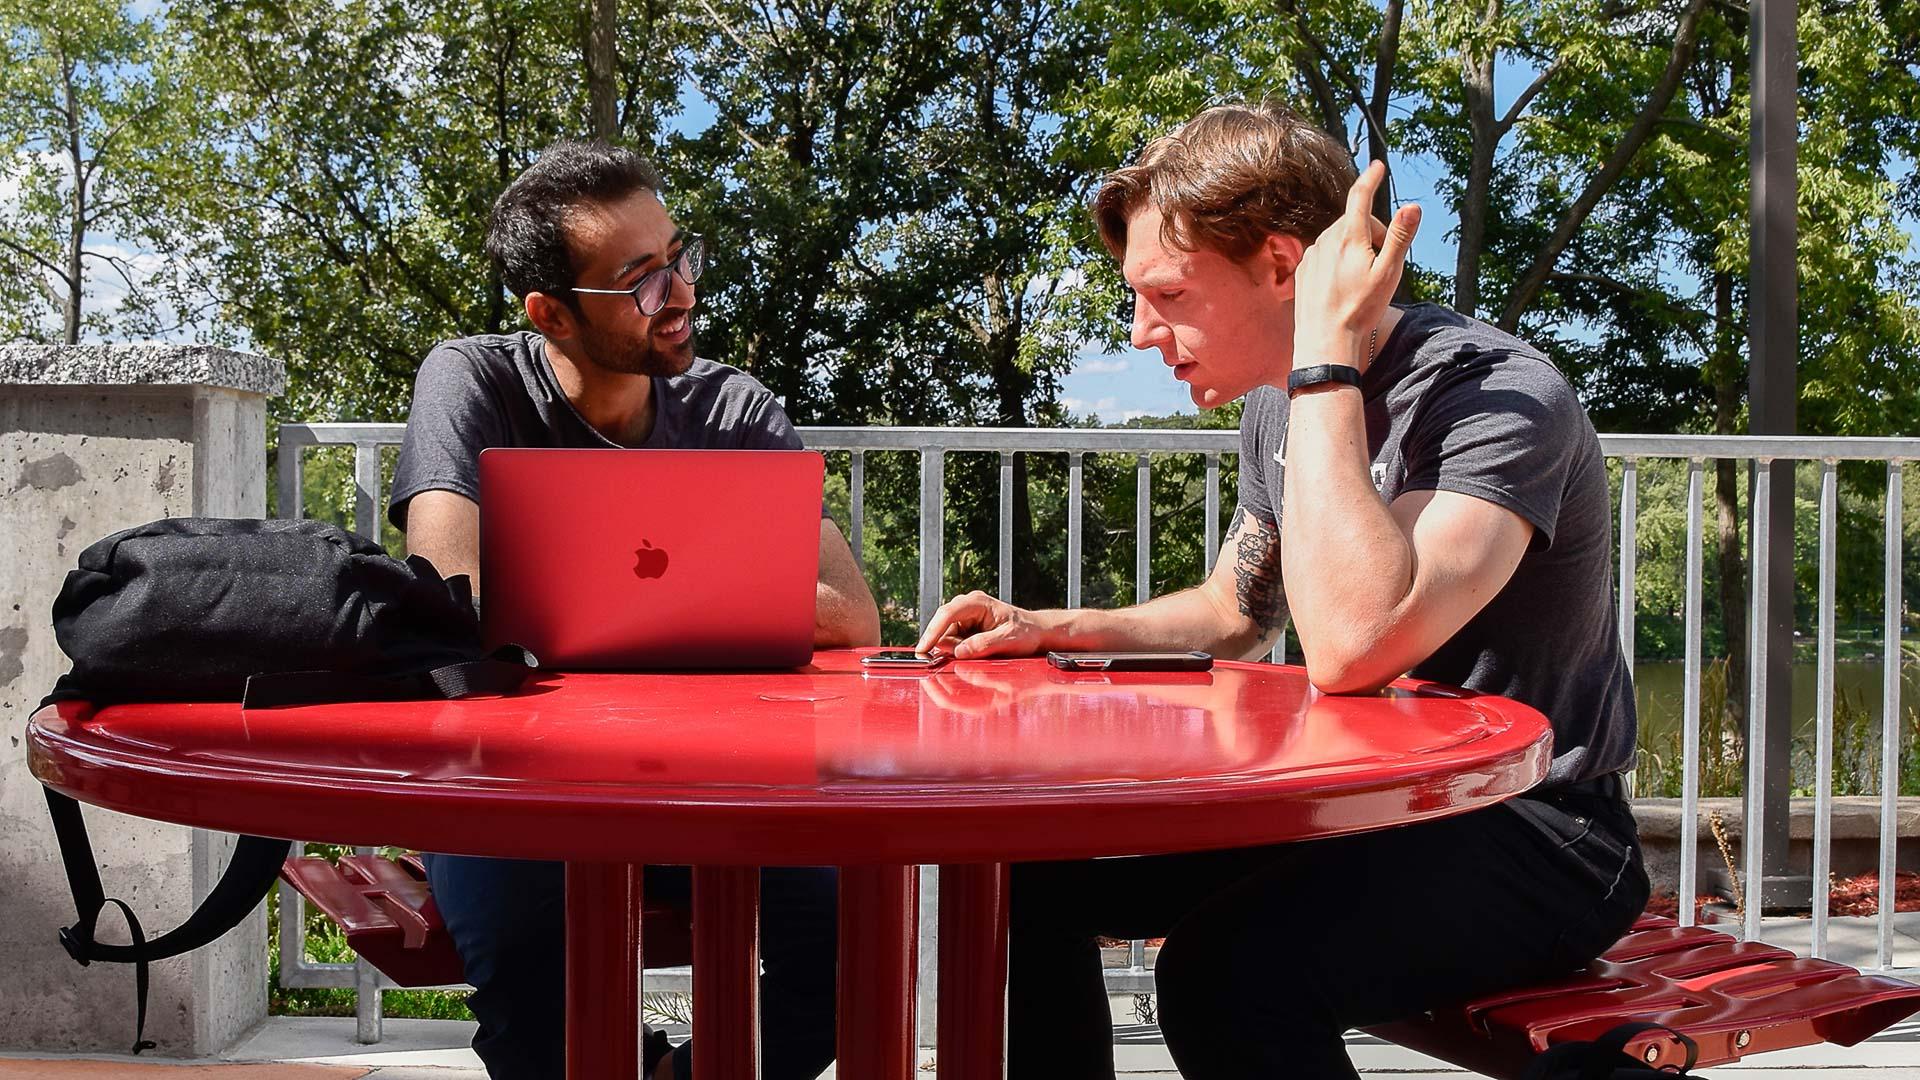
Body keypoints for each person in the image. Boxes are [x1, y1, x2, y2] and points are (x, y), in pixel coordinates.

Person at [915, 102, 1649, 1080]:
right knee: (1024, 886)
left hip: (1537, 835)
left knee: (1230, 975)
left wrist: (1322, 366)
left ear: (1280, 264)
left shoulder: (1499, 398)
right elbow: (1236, 610)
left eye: (1167, 294)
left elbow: (1353, 648)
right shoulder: (1284, 403)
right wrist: (1048, 625)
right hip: (1364, 816)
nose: (1141, 333)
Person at [390, 139, 879, 1080]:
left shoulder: (733, 409)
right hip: (520, 785)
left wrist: (577, 602)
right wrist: (716, 596)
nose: (683, 293)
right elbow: (451, 588)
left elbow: (849, 614)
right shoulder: (475, 380)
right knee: (536, 1033)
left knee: (847, 970)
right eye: (642, 281)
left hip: (728, 782)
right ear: (552, 315)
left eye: (680, 257)